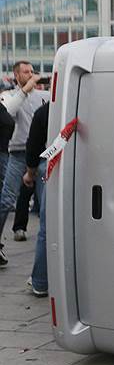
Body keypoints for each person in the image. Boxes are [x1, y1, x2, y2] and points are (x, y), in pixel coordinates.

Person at [0, 61, 49, 266]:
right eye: (25, 72)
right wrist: (26, 90)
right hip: (18, 154)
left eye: (32, 72)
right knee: (6, 200)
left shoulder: (42, 97)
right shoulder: (8, 96)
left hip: (40, 154)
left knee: (45, 203)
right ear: (16, 75)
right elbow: (9, 111)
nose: (30, 75)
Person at [23, 103, 48, 296]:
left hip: (49, 167)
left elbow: (33, 146)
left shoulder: (44, 112)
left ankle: (40, 281)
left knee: (47, 229)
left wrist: (30, 173)